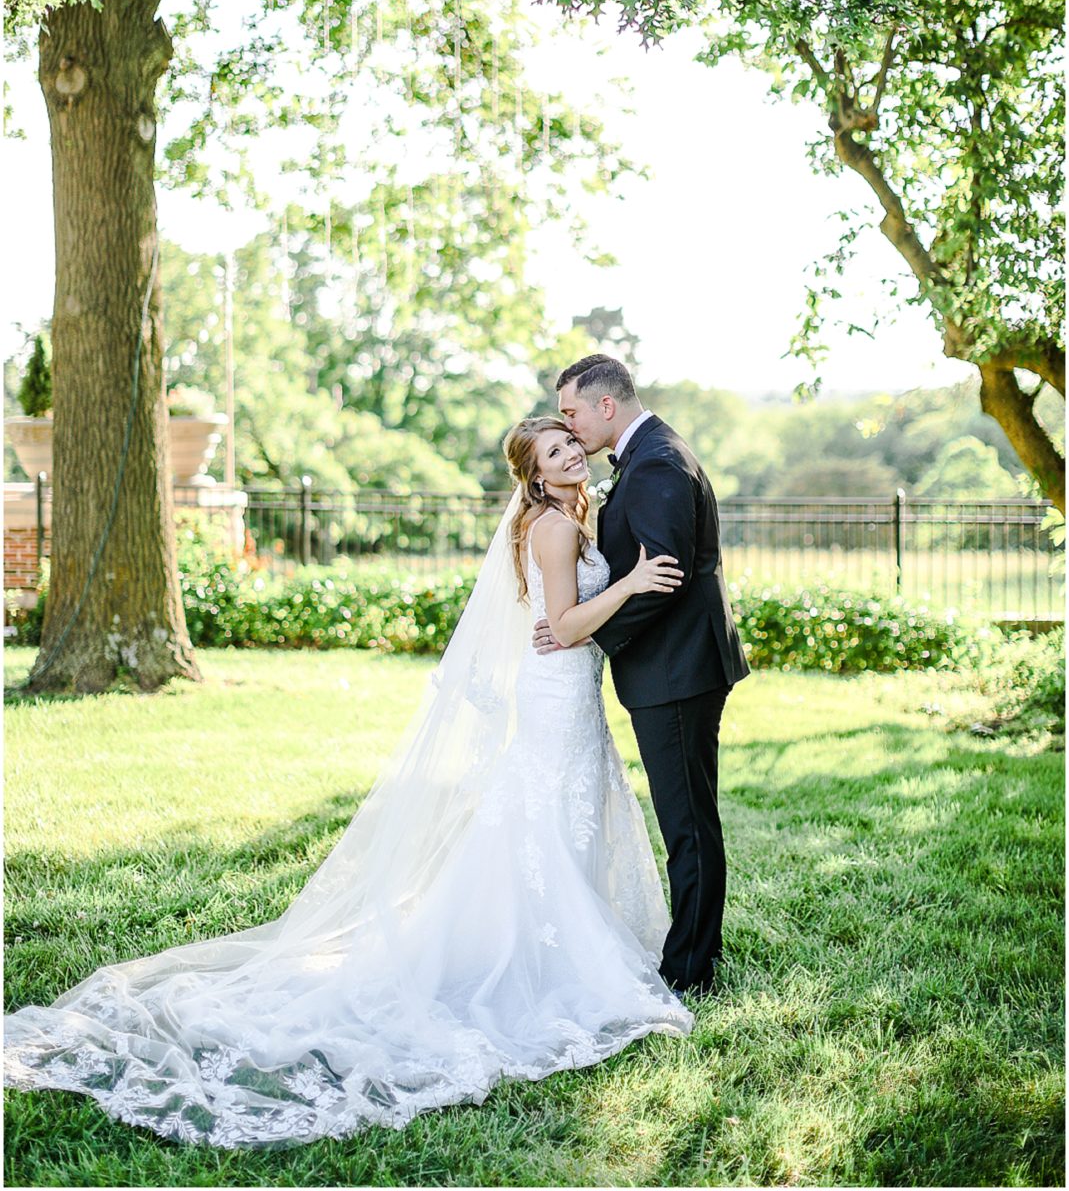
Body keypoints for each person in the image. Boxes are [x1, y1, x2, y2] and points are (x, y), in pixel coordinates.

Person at [4, 416, 692, 1149]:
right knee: (545, 820)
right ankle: (539, 961)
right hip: (557, 697)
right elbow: (564, 622)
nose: (570, 457)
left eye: (569, 445)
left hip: (565, 696)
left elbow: (557, 622)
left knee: (555, 819)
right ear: (532, 472)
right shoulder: (552, 529)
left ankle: (540, 945)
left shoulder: (565, 516)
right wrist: (632, 585)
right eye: (553, 452)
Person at [535, 355, 750, 997]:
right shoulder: (648, 453)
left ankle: (691, 971)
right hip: (674, 664)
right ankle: (692, 953)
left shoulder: (655, 461)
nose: (569, 429)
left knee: (686, 822)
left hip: (677, 669)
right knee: (686, 816)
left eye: (571, 412)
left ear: (607, 405)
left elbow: (663, 579)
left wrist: (585, 633)